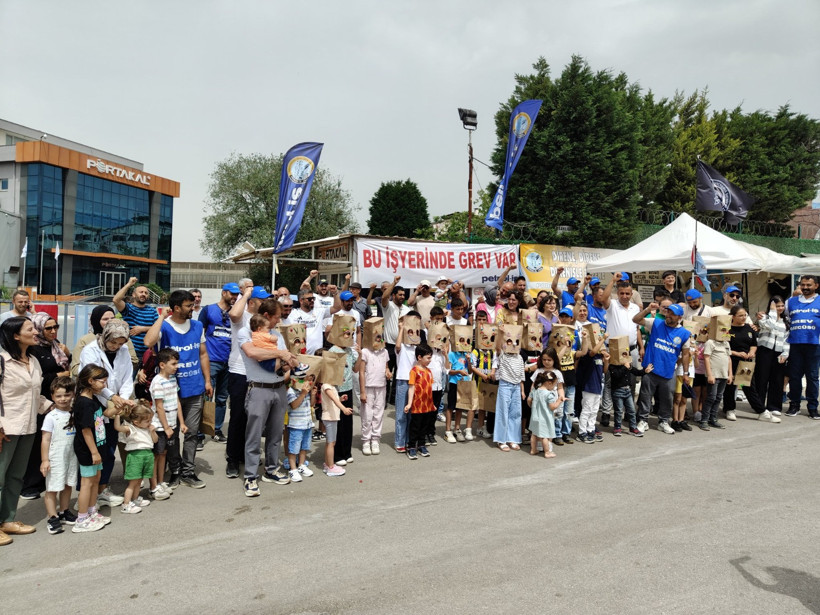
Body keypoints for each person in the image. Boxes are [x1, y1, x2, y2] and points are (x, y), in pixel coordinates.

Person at [144, 290, 213, 489]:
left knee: (191, 432)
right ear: (176, 308)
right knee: (171, 433)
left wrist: (207, 381)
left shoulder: (198, 325)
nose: (193, 308)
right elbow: (148, 342)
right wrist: (161, 317)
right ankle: (174, 470)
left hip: (195, 388)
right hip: (169, 392)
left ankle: (188, 471)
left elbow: (203, 355)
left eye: (193, 305)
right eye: (189, 306)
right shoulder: (164, 327)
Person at [237, 298, 297, 494]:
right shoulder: (245, 332)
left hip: (279, 386)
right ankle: (250, 476)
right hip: (259, 389)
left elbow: (286, 357)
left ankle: (271, 469)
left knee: (275, 433)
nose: (278, 321)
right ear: (266, 316)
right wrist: (280, 354)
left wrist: (288, 360)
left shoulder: (276, 335)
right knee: (254, 435)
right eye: (276, 318)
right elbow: (254, 353)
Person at [0, 317, 48, 545]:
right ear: (15, 335)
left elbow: (35, 396)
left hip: (28, 426)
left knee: (15, 477)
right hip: (5, 428)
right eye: (30, 329)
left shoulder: (33, 360)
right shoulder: (2, 360)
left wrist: (57, 406)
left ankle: (8, 519)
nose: (35, 331)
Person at [79, 319, 134, 506]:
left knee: (109, 448)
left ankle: (102, 489)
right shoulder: (90, 350)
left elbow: (127, 376)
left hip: (115, 404)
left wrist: (124, 398)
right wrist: (113, 396)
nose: (116, 346)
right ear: (106, 335)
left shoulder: (123, 351)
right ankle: (86, 495)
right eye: (113, 342)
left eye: (120, 343)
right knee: (94, 449)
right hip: (96, 402)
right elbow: (93, 380)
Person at [20, 312, 72, 500]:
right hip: (40, 403)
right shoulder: (34, 350)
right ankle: (29, 485)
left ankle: (45, 480)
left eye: (55, 327)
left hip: (57, 402)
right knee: (37, 445)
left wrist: (68, 354)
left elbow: (67, 366)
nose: (52, 331)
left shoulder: (56, 346)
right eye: (47, 328)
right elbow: (37, 379)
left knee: (53, 443)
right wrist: (59, 377)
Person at [225, 284, 269, 479]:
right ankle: (232, 459)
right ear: (252, 302)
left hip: (258, 373)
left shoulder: (263, 319)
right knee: (237, 418)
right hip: (239, 372)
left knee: (253, 418)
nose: (266, 303)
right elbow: (233, 315)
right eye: (262, 300)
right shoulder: (242, 316)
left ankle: (246, 454)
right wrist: (246, 293)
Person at [632, 302, 691, 435]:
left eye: (672, 314)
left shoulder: (685, 333)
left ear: (679, 318)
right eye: (668, 312)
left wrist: (686, 373)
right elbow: (635, 319)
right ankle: (643, 420)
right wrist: (647, 309)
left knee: (667, 398)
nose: (668, 315)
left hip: (669, 370)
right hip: (650, 368)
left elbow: (686, 354)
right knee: (645, 396)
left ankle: (663, 421)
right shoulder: (655, 323)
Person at [71, 363, 115, 533]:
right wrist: (94, 452)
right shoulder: (83, 402)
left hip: (99, 445)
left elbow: (104, 414)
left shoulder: (93, 399)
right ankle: (81, 519)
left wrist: (117, 408)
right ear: (90, 381)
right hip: (89, 449)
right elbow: (86, 429)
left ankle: (92, 511)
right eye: (102, 382)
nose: (104, 385)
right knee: (87, 483)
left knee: (95, 479)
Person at [199, 282, 240, 443]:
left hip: (229, 362)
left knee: (222, 398)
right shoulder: (209, 310)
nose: (235, 297)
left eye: (237, 295)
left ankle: (216, 429)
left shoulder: (236, 313)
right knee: (207, 397)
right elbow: (199, 333)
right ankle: (201, 433)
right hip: (211, 360)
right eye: (232, 294)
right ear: (224, 293)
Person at [723, 306, 778, 423]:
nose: (743, 318)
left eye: (745, 315)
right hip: (731, 361)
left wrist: (751, 352)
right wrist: (737, 353)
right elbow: (724, 347)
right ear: (733, 317)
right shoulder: (727, 329)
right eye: (740, 316)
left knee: (748, 387)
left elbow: (754, 344)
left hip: (745, 362)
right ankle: (729, 409)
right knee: (730, 386)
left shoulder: (749, 328)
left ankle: (761, 411)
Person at [39, 376, 79, 534]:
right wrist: (44, 460)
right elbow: (45, 439)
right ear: (52, 396)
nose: (63, 399)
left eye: (67, 395)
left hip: (71, 455)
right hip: (56, 457)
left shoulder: (74, 412)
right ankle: (53, 517)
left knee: (68, 484)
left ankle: (64, 511)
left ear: (73, 394)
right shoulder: (51, 417)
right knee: (52, 487)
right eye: (58, 396)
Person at [149, 347, 185, 501]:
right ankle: (153, 486)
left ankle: (161, 481)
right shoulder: (158, 382)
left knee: (163, 453)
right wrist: (166, 427)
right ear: (162, 365)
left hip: (171, 424)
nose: (177, 367)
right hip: (160, 426)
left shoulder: (172, 379)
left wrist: (181, 422)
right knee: (156, 455)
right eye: (174, 363)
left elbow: (177, 401)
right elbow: (159, 407)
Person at [784, 275, 820, 419]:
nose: (805, 287)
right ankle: (794, 405)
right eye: (802, 285)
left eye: (808, 285)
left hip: (814, 345)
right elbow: (783, 318)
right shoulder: (790, 302)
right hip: (795, 344)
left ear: (816, 286)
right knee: (795, 377)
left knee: (812, 377)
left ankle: (812, 407)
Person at [113, 401, 157, 514]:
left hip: (147, 455)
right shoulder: (130, 428)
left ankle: (135, 499)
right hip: (135, 456)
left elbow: (155, 440)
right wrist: (117, 414)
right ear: (136, 422)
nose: (149, 423)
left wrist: (152, 431)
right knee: (133, 482)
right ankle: (126, 504)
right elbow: (117, 427)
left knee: (139, 480)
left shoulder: (147, 429)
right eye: (147, 421)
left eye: (150, 420)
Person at [71, 305, 138, 378]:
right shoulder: (85, 340)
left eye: (112, 318)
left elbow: (133, 361)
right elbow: (75, 369)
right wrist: (97, 373)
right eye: (105, 319)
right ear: (96, 321)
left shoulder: (123, 338)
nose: (110, 321)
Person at [328, 326, 360, 466]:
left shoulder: (349, 350)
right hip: (336, 390)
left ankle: (347, 452)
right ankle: (338, 454)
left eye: (352, 334)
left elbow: (356, 368)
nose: (350, 336)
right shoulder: (332, 351)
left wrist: (360, 354)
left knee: (347, 422)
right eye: (347, 334)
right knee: (338, 422)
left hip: (348, 388)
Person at [754, 297, 789, 416]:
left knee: (777, 380)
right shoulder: (764, 318)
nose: (780, 308)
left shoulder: (786, 321)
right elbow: (770, 326)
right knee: (761, 378)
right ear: (771, 306)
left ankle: (774, 406)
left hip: (779, 352)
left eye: (781, 306)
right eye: (777, 306)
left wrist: (785, 353)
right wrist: (772, 312)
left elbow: (786, 340)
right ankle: (759, 405)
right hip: (765, 350)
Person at [113, 277, 159, 368]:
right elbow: (116, 300)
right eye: (141, 292)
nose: (143, 294)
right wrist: (129, 284)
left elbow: (159, 327)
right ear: (134, 295)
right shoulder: (128, 309)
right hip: (131, 353)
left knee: (145, 381)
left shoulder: (152, 311)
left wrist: (143, 329)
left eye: (146, 293)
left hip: (149, 352)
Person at [494, 323, 526, 451]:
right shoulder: (503, 354)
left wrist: (522, 390)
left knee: (515, 413)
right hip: (505, 385)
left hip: (516, 386)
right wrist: (501, 333)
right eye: (509, 341)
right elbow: (497, 347)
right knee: (503, 412)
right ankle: (501, 440)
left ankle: (513, 438)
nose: (513, 344)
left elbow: (521, 375)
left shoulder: (519, 357)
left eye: (516, 341)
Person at [359, 327, 390, 455]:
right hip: (368, 386)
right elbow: (361, 372)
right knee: (367, 414)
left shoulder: (385, 351)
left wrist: (388, 373)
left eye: (380, 336)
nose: (379, 339)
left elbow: (386, 368)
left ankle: (375, 439)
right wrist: (362, 391)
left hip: (381, 386)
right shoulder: (365, 351)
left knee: (378, 413)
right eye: (376, 336)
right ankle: (366, 440)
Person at [699, 317, 733, 431]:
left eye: (726, 330)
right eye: (722, 330)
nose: (724, 332)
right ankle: (704, 420)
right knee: (711, 397)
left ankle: (713, 419)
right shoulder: (710, 342)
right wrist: (709, 375)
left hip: (723, 375)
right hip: (714, 375)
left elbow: (729, 359)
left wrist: (730, 374)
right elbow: (707, 358)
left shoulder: (726, 343)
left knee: (718, 398)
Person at [576, 325, 608, 443]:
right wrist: (603, 339)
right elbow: (593, 351)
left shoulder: (599, 355)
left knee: (594, 411)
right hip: (588, 387)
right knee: (586, 410)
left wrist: (607, 359)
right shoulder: (589, 354)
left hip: (597, 387)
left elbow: (604, 370)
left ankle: (590, 430)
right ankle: (582, 432)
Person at [393, 313, 420, 452]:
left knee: (412, 414)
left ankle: (410, 440)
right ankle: (399, 441)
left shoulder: (417, 348)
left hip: (415, 382)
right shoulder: (402, 346)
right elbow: (397, 346)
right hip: (403, 381)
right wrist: (401, 329)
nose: (412, 333)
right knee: (401, 414)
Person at [404, 344, 435, 460]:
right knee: (415, 427)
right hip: (417, 405)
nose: (430, 360)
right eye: (428, 358)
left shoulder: (429, 372)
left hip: (427, 405)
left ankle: (421, 445)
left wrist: (432, 404)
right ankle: (411, 446)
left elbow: (429, 389)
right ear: (419, 357)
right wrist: (409, 403)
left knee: (424, 426)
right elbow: (411, 388)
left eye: (430, 358)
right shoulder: (414, 371)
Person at [284, 366, 315, 483]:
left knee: (304, 446)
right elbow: (294, 405)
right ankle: (293, 469)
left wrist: (312, 394)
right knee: (294, 447)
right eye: (301, 379)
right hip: (296, 425)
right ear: (294, 380)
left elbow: (312, 405)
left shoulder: (306, 390)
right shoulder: (291, 391)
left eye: (305, 379)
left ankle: (301, 465)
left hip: (307, 423)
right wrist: (302, 394)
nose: (304, 382)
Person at [319, 363, 350, 478]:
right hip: (330, 417)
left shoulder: (331, 386)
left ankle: (328, 464)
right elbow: (334, 400)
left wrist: (341, 399)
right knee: (331, 443)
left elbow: (335, 400)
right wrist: (344, 408)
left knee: (330, 442)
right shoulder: (327, 386)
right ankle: (331, 467)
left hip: (332, 417)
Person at [609, 355, 650, 437]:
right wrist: (624, 367)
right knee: (619, 411)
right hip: (617, 391)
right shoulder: (613, 365)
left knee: (631, 410)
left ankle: (633, 428)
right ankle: (617, 427)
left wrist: (645, 371)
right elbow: (616, 375)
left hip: (627, 391)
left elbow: (636, 372)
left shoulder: (628, 365)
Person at [528, 371, 561, 457]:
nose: (554, 387)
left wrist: (531, 406)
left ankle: (533, 449)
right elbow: (552, 407)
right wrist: (559, 401)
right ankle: (547, 452)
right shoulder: (549, 394)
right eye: (555, 384)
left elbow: (529, 400)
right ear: (549, 383)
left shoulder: (535, 390)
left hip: (535, 416)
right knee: (544, 436)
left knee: (534, 434)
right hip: (544, 418)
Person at [291, 288, 328, 355]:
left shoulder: (319, 312)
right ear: (301, 301)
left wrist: (335, 293)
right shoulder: (293, 313)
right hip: (300, 355)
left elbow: (336, 308)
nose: (312, 301)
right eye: (309, 299)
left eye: (313, 298)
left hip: (317, 355)